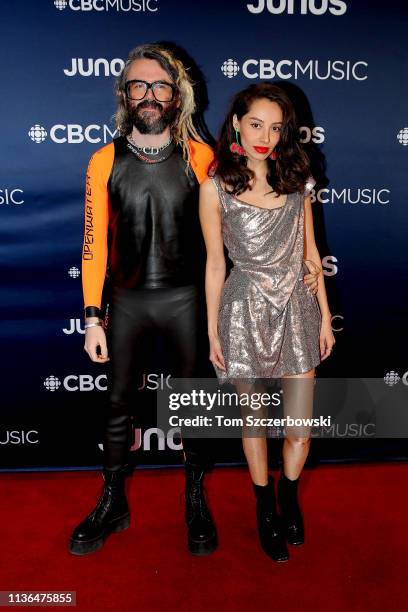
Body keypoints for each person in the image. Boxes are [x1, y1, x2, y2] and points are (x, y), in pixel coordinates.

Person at [69, 43, 218, 557]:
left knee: (197, 406)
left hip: (188, 302)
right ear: (124, 94)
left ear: (177, 96)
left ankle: (194, 500)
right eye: (138, 84)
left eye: (160, 86)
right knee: (116, 406)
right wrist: (92, 317)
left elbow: (223, 243)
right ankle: (112, 501)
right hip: (127, 302)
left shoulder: (202, 156)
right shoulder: (103, 160)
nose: (149, 94)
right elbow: (92, 246)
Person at [199, 83, 335, 562]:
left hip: (297, 306)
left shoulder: (297, 180)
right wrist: (214, 329)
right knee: (254, 424)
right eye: (256, 124)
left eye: (276, 127)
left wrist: (323, 317)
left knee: (299, 428)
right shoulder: (215, 186)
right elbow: (216, 264)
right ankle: (263, 505)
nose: (266, 136)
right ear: (236, 121)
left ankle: (289, 495)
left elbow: (311, 253)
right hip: (242, 310)